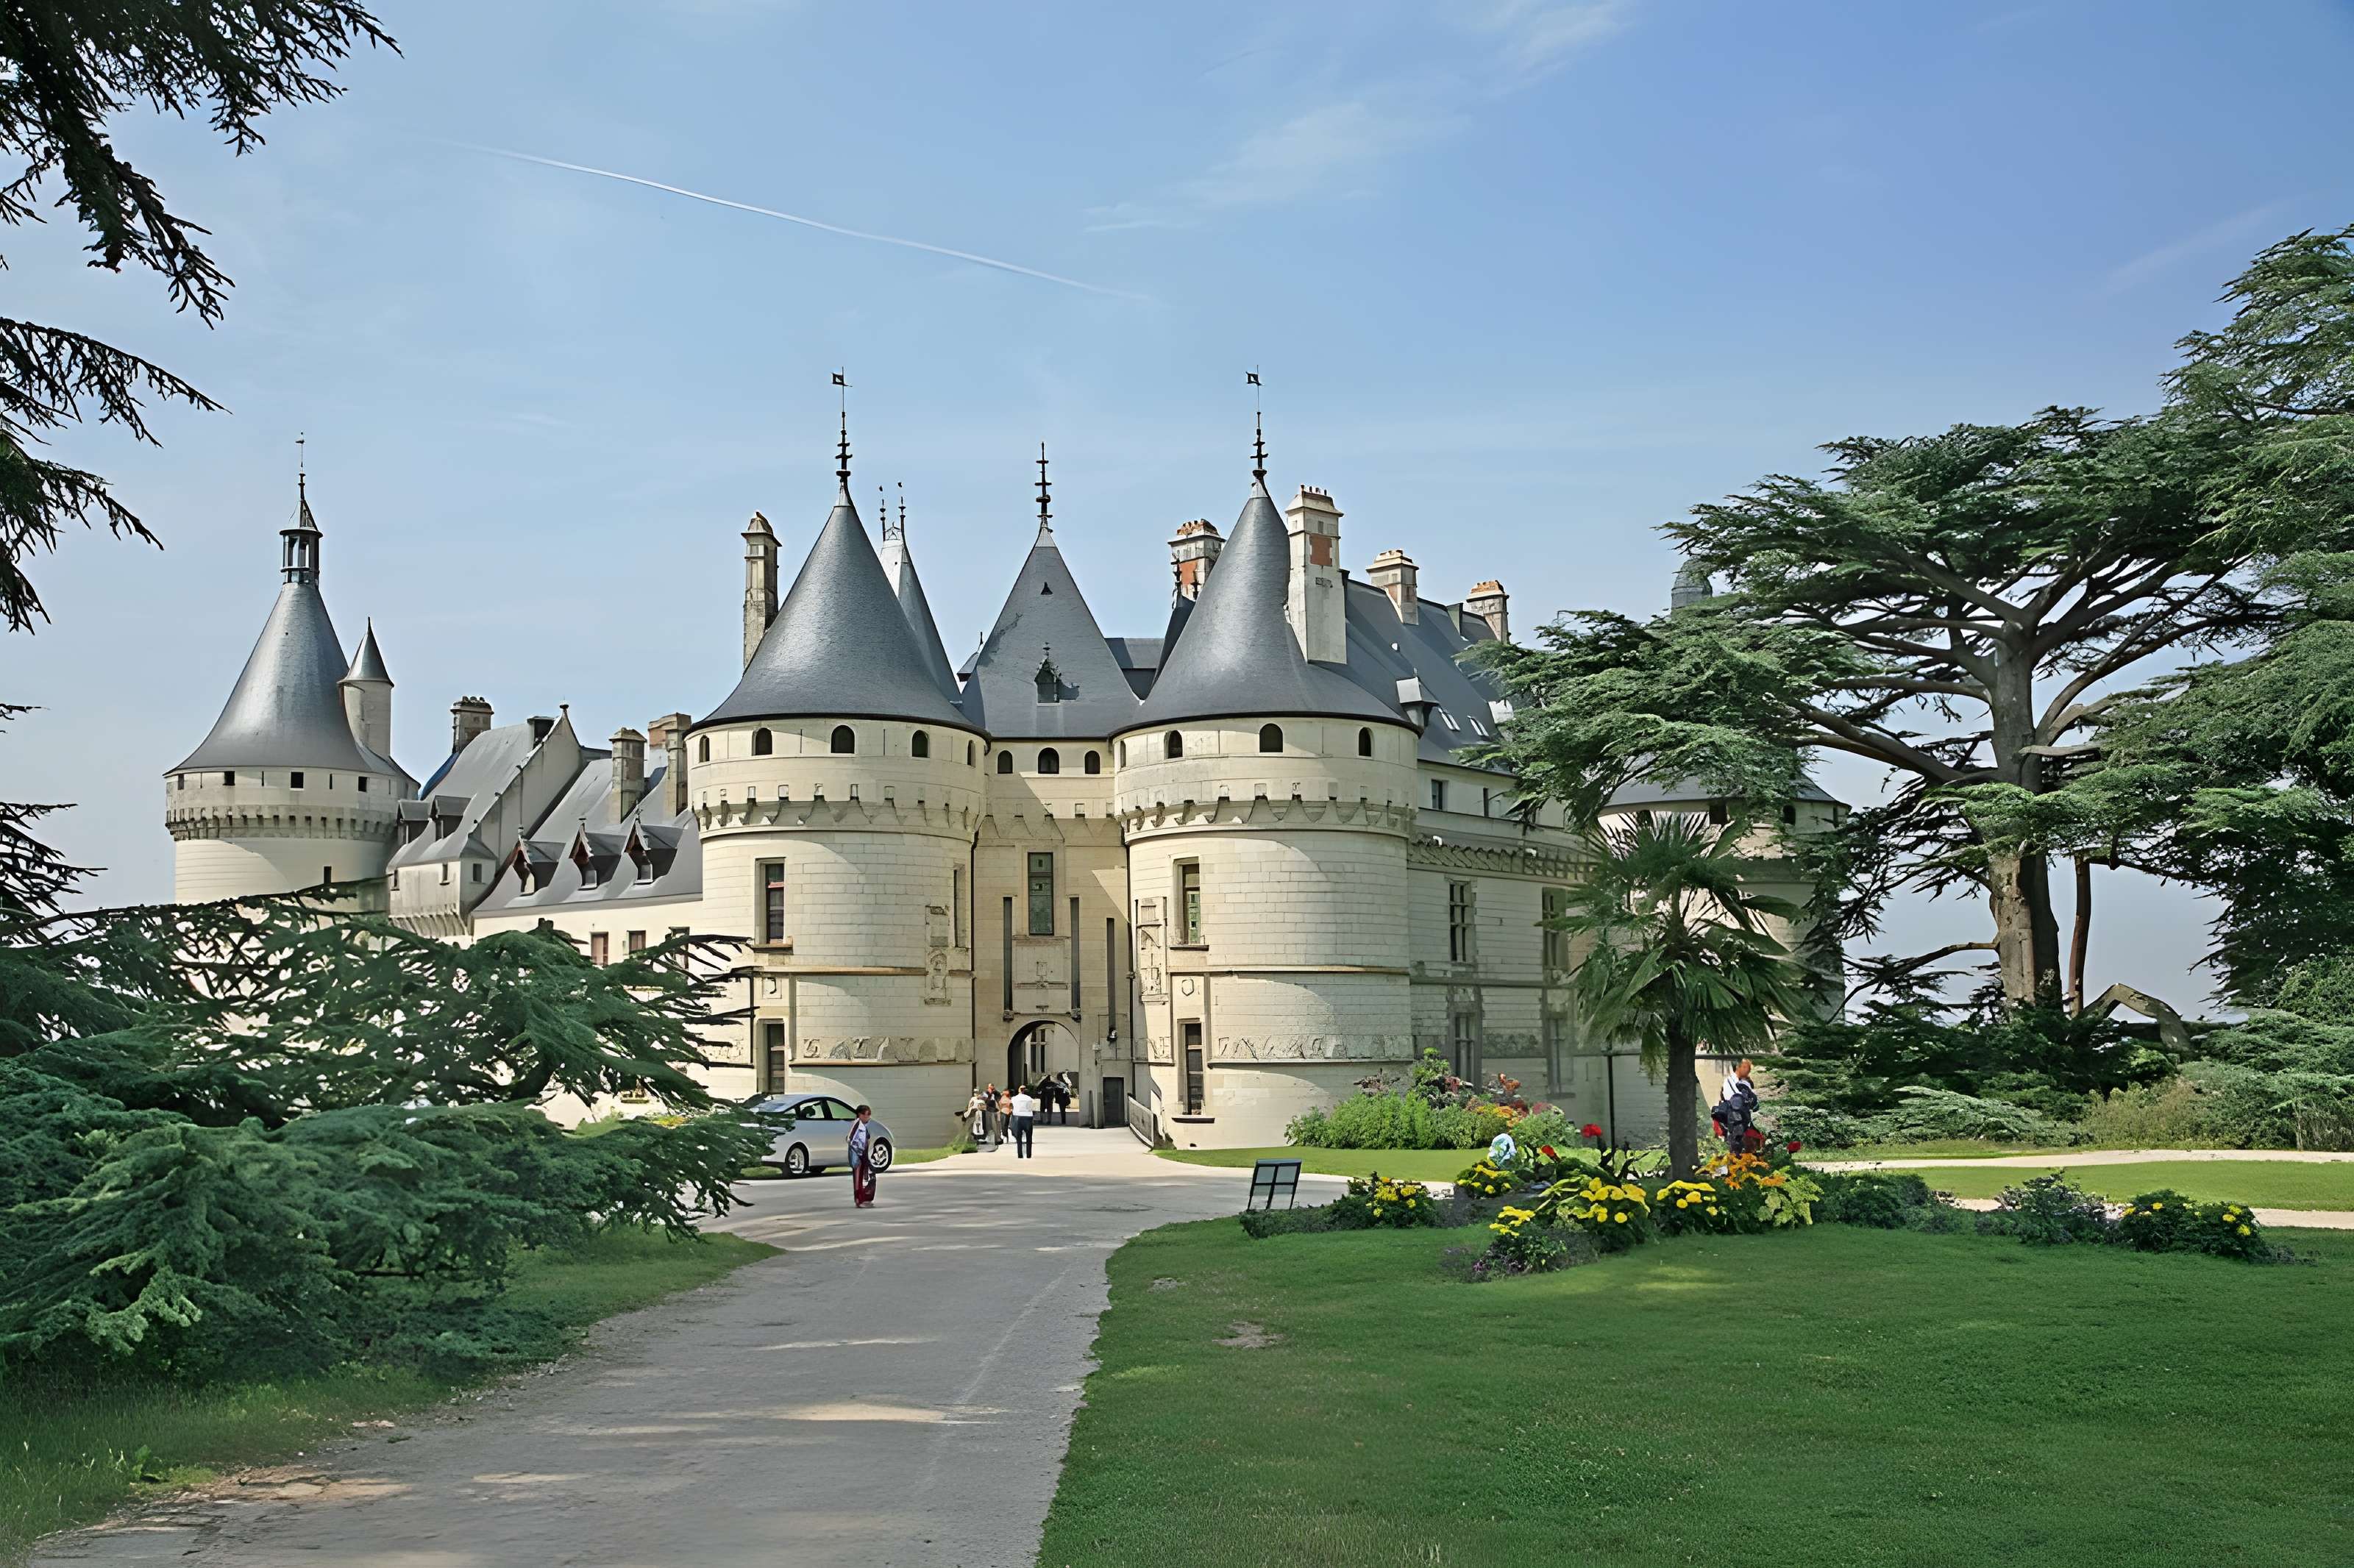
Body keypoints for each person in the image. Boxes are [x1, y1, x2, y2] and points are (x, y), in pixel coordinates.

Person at [1713, 1059, 1760, 1155]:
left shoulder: (1728, 1082)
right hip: (1740, 1122)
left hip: (1731, 1122)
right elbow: (1755, 1105)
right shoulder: (1744, 1084)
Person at [847, 1104, 878, 1208]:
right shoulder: (857, 1124)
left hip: (863, 1155)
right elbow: (849, 1138)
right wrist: (858, 1150)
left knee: (863, 1178)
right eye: (866, 1114)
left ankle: (864, 1198)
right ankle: (859, 1200)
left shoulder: (864, 1126)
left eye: (869, 1114)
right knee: (858, 1179)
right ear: (860, 1115)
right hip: (858, 1155)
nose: (868, 1117)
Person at [1009, 1082, 1037, 1158]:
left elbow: (1011, 1106)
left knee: (1019, 1138)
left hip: (1017, 1117)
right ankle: (1028, 1154)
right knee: (1029, 1137)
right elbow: (1032, 1108)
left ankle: (1020, 1154)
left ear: (1019, 1090)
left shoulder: (1014, 1098)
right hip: (1028, 1117)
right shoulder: (1029, 1099)